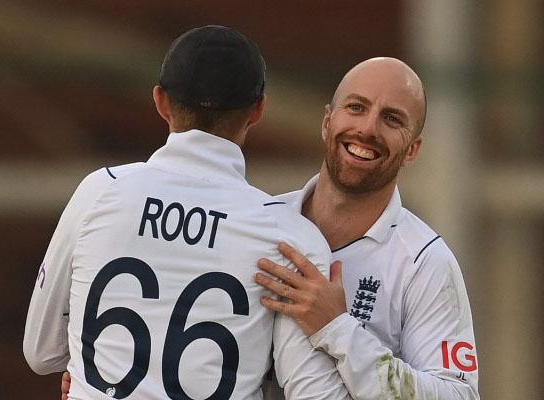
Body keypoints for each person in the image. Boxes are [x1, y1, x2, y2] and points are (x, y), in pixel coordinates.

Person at [24, 25, 351, 400]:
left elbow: (41, 352)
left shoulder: (99, 190)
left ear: (160, 101)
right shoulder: (292, 237)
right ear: (258, 111)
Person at [254, 57, 480, 399]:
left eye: (392, 119)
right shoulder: (257, 222)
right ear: (327, 121)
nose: (368, 129)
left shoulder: (425, 262)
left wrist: (339, 329)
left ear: (412, 150)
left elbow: (459, 395)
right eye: (356, 107)